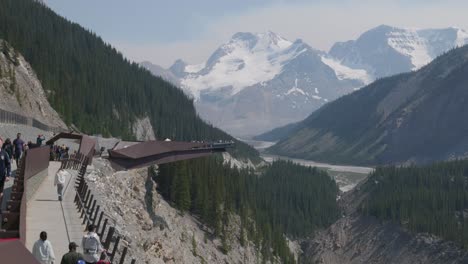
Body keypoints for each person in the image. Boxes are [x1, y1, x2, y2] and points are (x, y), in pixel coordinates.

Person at [0, 147, 11, 214]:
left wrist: (8, 175)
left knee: (0, 193)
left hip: (1, 177)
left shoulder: (4, 153)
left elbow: (8, 164)